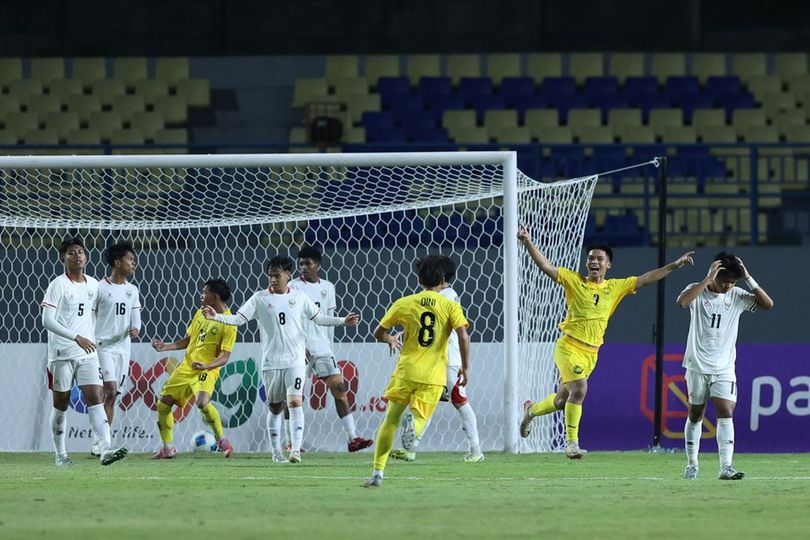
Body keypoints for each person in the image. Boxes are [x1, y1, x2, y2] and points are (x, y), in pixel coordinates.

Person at [517, 225, 694, 458]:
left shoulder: (615, 287)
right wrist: (528, 242)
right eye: (591, 258)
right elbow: (545, 266)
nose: (594, 262)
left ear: (608, 264)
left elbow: (646, 279)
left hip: (591, 353)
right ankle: (571, 444)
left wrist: (675, 265)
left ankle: (531, 411)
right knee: (580, 389)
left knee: (562, 400)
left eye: (600, 259)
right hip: (569, 346)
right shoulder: (574, 280)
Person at [203, 255, 359, 464]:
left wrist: (343, 321)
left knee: (295, 402)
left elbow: (318, 318)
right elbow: (239, 319)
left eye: (277, 275)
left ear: (288, 275)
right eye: (270, 276)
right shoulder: (259, 298)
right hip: (271, 362)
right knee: (276, 408)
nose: (273, 280)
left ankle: (295, 451)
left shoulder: (300, 297)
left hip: (295, 360)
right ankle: (276, 452)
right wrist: (217, 317)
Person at [365, 255, 470, 488]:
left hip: (406, 371)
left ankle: (377, 474)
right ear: (442, 280)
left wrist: (391, 339)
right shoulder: (450, 305)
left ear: (419, 279)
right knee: (421, 417)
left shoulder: (404, 303)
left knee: (390, 420)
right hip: (433, 374)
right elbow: (463, 334)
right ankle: (414, 425)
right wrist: (465, 366)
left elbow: (378, 332)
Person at [677, 253, 773, 481]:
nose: (729, 286)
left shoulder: (738, 296)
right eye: (725, 281)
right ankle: (692, 464)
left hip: (724, 368)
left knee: (725, 412)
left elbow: (768, 304)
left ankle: (726, 466)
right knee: (696, 413)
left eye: (733, 282)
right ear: (715, 276)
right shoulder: (697, 291)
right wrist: (706, 278)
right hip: (697, 365)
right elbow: (682, 302)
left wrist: (748, 278)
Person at [41, 236, 128, 466]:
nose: (77, 255)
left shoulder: (94, 285)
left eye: (80, 251)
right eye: (71, 252)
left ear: (86, 257)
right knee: (61, 403)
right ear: (64, 258)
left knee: (96, 397)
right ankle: (60, 454)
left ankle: (105, 449)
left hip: (88, 352)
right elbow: (46, 320)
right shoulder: (58, 285)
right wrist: (75, 337)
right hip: (62, 353)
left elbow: (102, 312)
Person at [391, 255, 483, 463]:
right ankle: (411, 448)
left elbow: (449, 327)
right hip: (432, 360)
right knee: (427, 402)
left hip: (449, 359)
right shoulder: (430, 294)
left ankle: (476, 450)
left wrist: (465, 367)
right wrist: (403, 332)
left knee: (459, 401)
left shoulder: (449, 296)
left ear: (440, 277)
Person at [289, 245, 373, 452]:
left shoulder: (328, 287)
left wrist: (330, 347)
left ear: (318, 265)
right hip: (300, 348)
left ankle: (352, 439)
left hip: (322, 348)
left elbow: (326, 319)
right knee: (292, 396)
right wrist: (298, 346)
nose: (304, 267)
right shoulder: (293, 287)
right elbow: (290, 321)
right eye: (301, 263)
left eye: (308, 263)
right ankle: (291, 443)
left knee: (339, 388)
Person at [151, 278, 237, 459]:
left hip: (207, 370)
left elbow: (225, 357)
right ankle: (167, 449)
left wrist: (206, 365)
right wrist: (165, 347)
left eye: (204, 292)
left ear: (213, 297)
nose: (201, 295)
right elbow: (188, 340)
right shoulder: (201, 314)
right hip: (187, 368)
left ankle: (222, 440)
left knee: (202, 402)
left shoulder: (229, 322)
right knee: (163, 404)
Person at [91, 241, 142, 456]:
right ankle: (105, 445)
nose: (134, 264)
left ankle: (99, 442)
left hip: (123, 349)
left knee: (112, 397)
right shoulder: (99, 288)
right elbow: (90, 317)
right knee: (109, 390)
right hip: (102, 347)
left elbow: (136, 320)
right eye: (130, 260)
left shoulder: (132, 290)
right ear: (117, 262)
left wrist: (135, 329)